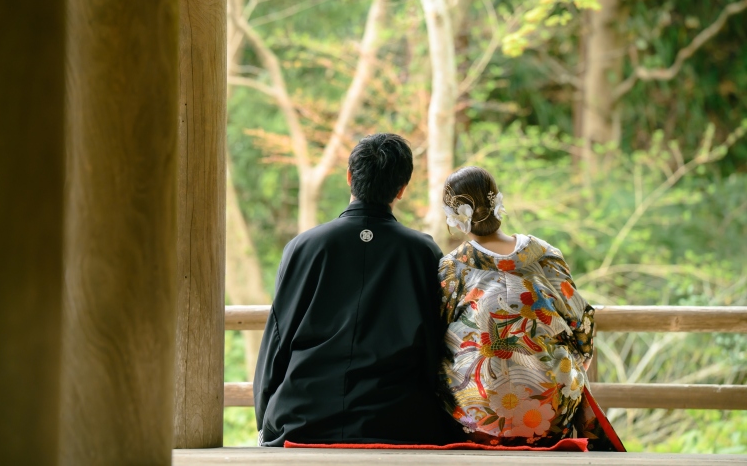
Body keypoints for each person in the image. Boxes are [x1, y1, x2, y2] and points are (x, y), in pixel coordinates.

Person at [253, 133, 461, 447]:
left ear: (350, 177)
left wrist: (266, 421)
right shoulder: (423, 253)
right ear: (402, 188)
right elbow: (435, 347)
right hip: (398, 421)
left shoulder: (303, 248)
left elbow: (277, 340)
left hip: (302, 419)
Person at [437, 166, 625, 451]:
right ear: (497, 201)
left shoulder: (453, 267)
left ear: (454, 217)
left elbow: (436, 329)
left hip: (476, 417)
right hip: (552, 414)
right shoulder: (544, 255)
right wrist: (577, 362)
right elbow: (582, 319)